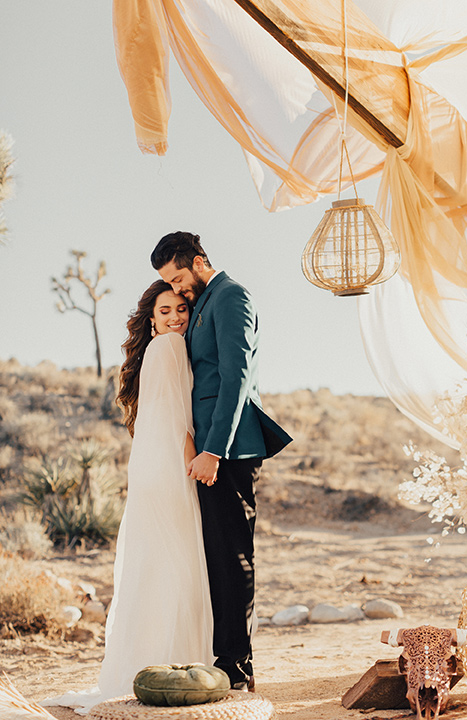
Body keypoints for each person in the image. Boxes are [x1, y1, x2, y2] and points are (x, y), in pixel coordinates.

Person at [43, 279, 213, 716]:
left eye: (181, 308)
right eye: (165, 311)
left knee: (156, 561)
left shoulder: (157, 352)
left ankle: (147, 664)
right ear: (151, 321)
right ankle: (178, 661)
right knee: (176, 562)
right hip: (171, 462)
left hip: (152, 465)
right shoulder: (171, 349)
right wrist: (191, 452)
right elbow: (173, 411)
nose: (176, 317)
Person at [150, 231, 293, 691]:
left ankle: (237, 664)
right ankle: (225, 656)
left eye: (178, 278)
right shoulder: (203, 304)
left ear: (197, 260)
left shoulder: (232, 296)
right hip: (208, 451)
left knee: (233, 555)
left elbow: (237, 376)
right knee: (215, 554)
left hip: (228, 450)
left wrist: (214, 449)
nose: (176, 289)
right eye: (168, 284)